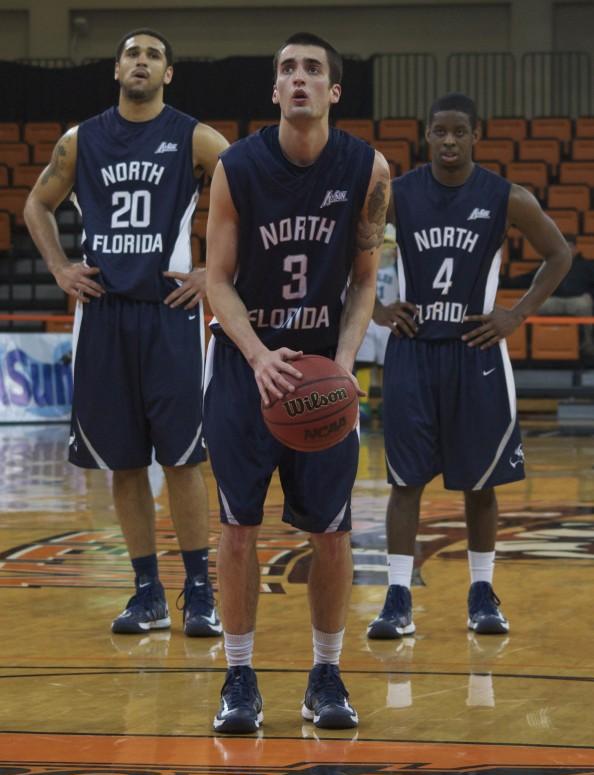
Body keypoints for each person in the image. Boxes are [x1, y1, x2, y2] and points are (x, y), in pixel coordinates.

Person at [204, 31, 390, 732]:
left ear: (333, 91)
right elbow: (216, 283)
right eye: (288, 69)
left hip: (323, 367)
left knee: (334, 533)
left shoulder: (368, 169)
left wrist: (344, 363)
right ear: (275, 91)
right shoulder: (236, 168)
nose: (300, 78)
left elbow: (365, 282)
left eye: (313, 69)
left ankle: (326, 675)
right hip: (244, 366)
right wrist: (256, 355)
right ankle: (240, 679)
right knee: (237, 527)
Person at [24, 28, 229, 638]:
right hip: (104, 315)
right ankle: (146, 592)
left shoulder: (193, 135)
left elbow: (253, 190)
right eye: (133, 55)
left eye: (154, 56)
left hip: (170, 311)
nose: (141, 62)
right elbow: (37, 205)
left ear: (168, 74)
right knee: (125, 462)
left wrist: (213, 272)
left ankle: (198, 592)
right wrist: (60, 267)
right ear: (117, 70)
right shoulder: (80, 140)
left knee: (185, 459)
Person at [367, 93, 571, 640]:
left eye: (460, 131)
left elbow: (560, 254)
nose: (450, 141)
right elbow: (345, 247)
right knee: (405, 482)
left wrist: (517, 315)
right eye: (440, 132)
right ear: (427, 137)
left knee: (481, 484)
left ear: (477, 135)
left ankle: (482, 592)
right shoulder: (400, 195)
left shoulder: (505, 196)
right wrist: (376, 309)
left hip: (477, 350)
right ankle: (397, 597)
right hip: (413, 352)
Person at [504, 236, 594, 358]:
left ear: (575, 248)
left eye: (568, 247)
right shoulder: (551, 263)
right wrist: (504, 281)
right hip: (551, 300)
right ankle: (529, 344)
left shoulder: (587, 265)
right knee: (527, 305)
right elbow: (529, 278)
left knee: (585, 304)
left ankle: (587, 345)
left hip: (577, 300)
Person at [354, 223, 398, 425]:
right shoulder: (365, 261)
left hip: (389, 320)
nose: (385, 249)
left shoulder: (398, 267)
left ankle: (383, 403)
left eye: (389, 245)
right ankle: (361, 403)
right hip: (368, 318)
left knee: (384, 366)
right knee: (363, 363)